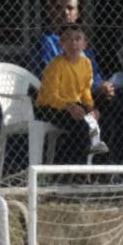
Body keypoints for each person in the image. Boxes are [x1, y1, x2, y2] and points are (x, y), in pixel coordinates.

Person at [34, 0, 123, 165]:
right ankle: (105, 166)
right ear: (49, 11)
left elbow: (94, 75)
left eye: (69, 8)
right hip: (63, 100)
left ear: (77, 13)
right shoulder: (46, 41)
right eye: (58, 8)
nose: (64, 13)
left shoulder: (82, 45)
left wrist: (104, 86)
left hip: (91, 95)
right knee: (109, 112)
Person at [35, 23, 107, 163]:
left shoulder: (86, 63)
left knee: (101, 119)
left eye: (78, 38)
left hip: (74, 104)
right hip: (50, 107)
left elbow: (85, 90)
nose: (73, 43)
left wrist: (91, 108)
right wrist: (69, 107)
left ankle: (98, 169)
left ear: (85, 44)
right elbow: (50, 96)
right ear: (61, 43)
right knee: (80, 126)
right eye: (68, 39)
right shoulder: (56, 65)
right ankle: (72, 169)